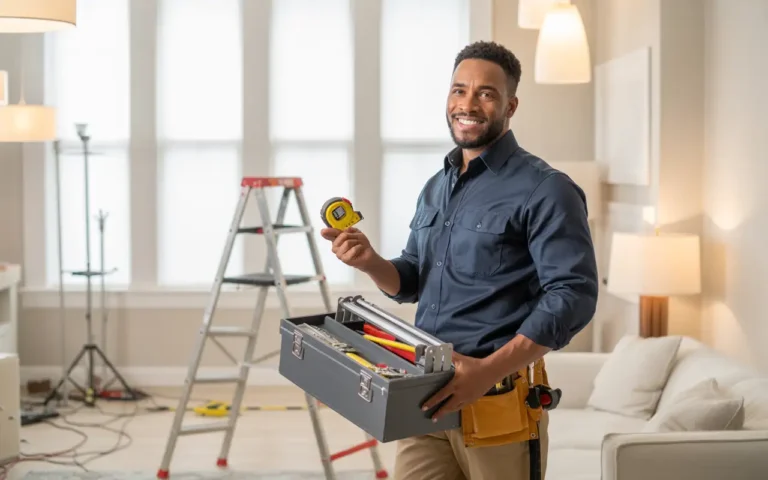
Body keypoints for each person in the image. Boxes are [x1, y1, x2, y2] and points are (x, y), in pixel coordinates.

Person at [320, 41, 598, 480]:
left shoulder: (546, 189)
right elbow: (412, 279)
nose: (468, 104)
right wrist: (371, 260)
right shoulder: (438, 185)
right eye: (459, 90)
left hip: (497, 400)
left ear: (511, 105)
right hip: (424, 394)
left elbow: (573, 296)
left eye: (486, 93)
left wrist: (486, 372)